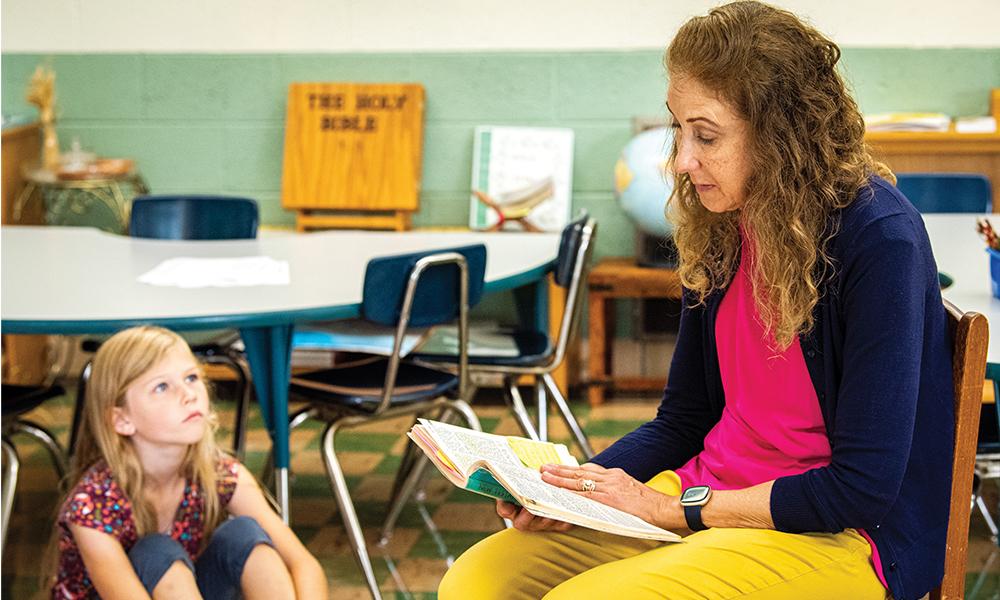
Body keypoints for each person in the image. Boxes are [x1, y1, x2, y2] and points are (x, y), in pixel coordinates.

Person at [439, 2, 953, 599]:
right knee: (476, 581)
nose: (683, 161)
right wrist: (574, 487)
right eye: (678, 130)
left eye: (706, 135)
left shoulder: (877, 237)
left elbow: (860, 488)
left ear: (780, 136)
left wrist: (679, 510)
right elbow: (684, 419)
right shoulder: (725, 221)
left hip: (842, 535)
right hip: (707, 495)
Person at [47, 326, 327, 599]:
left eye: (192, 378)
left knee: (246, 535)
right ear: (122, 419)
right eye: (161, 387)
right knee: (157, 551)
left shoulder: (222, 475)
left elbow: (304, 565)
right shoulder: (92, 505)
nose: (189, 394)